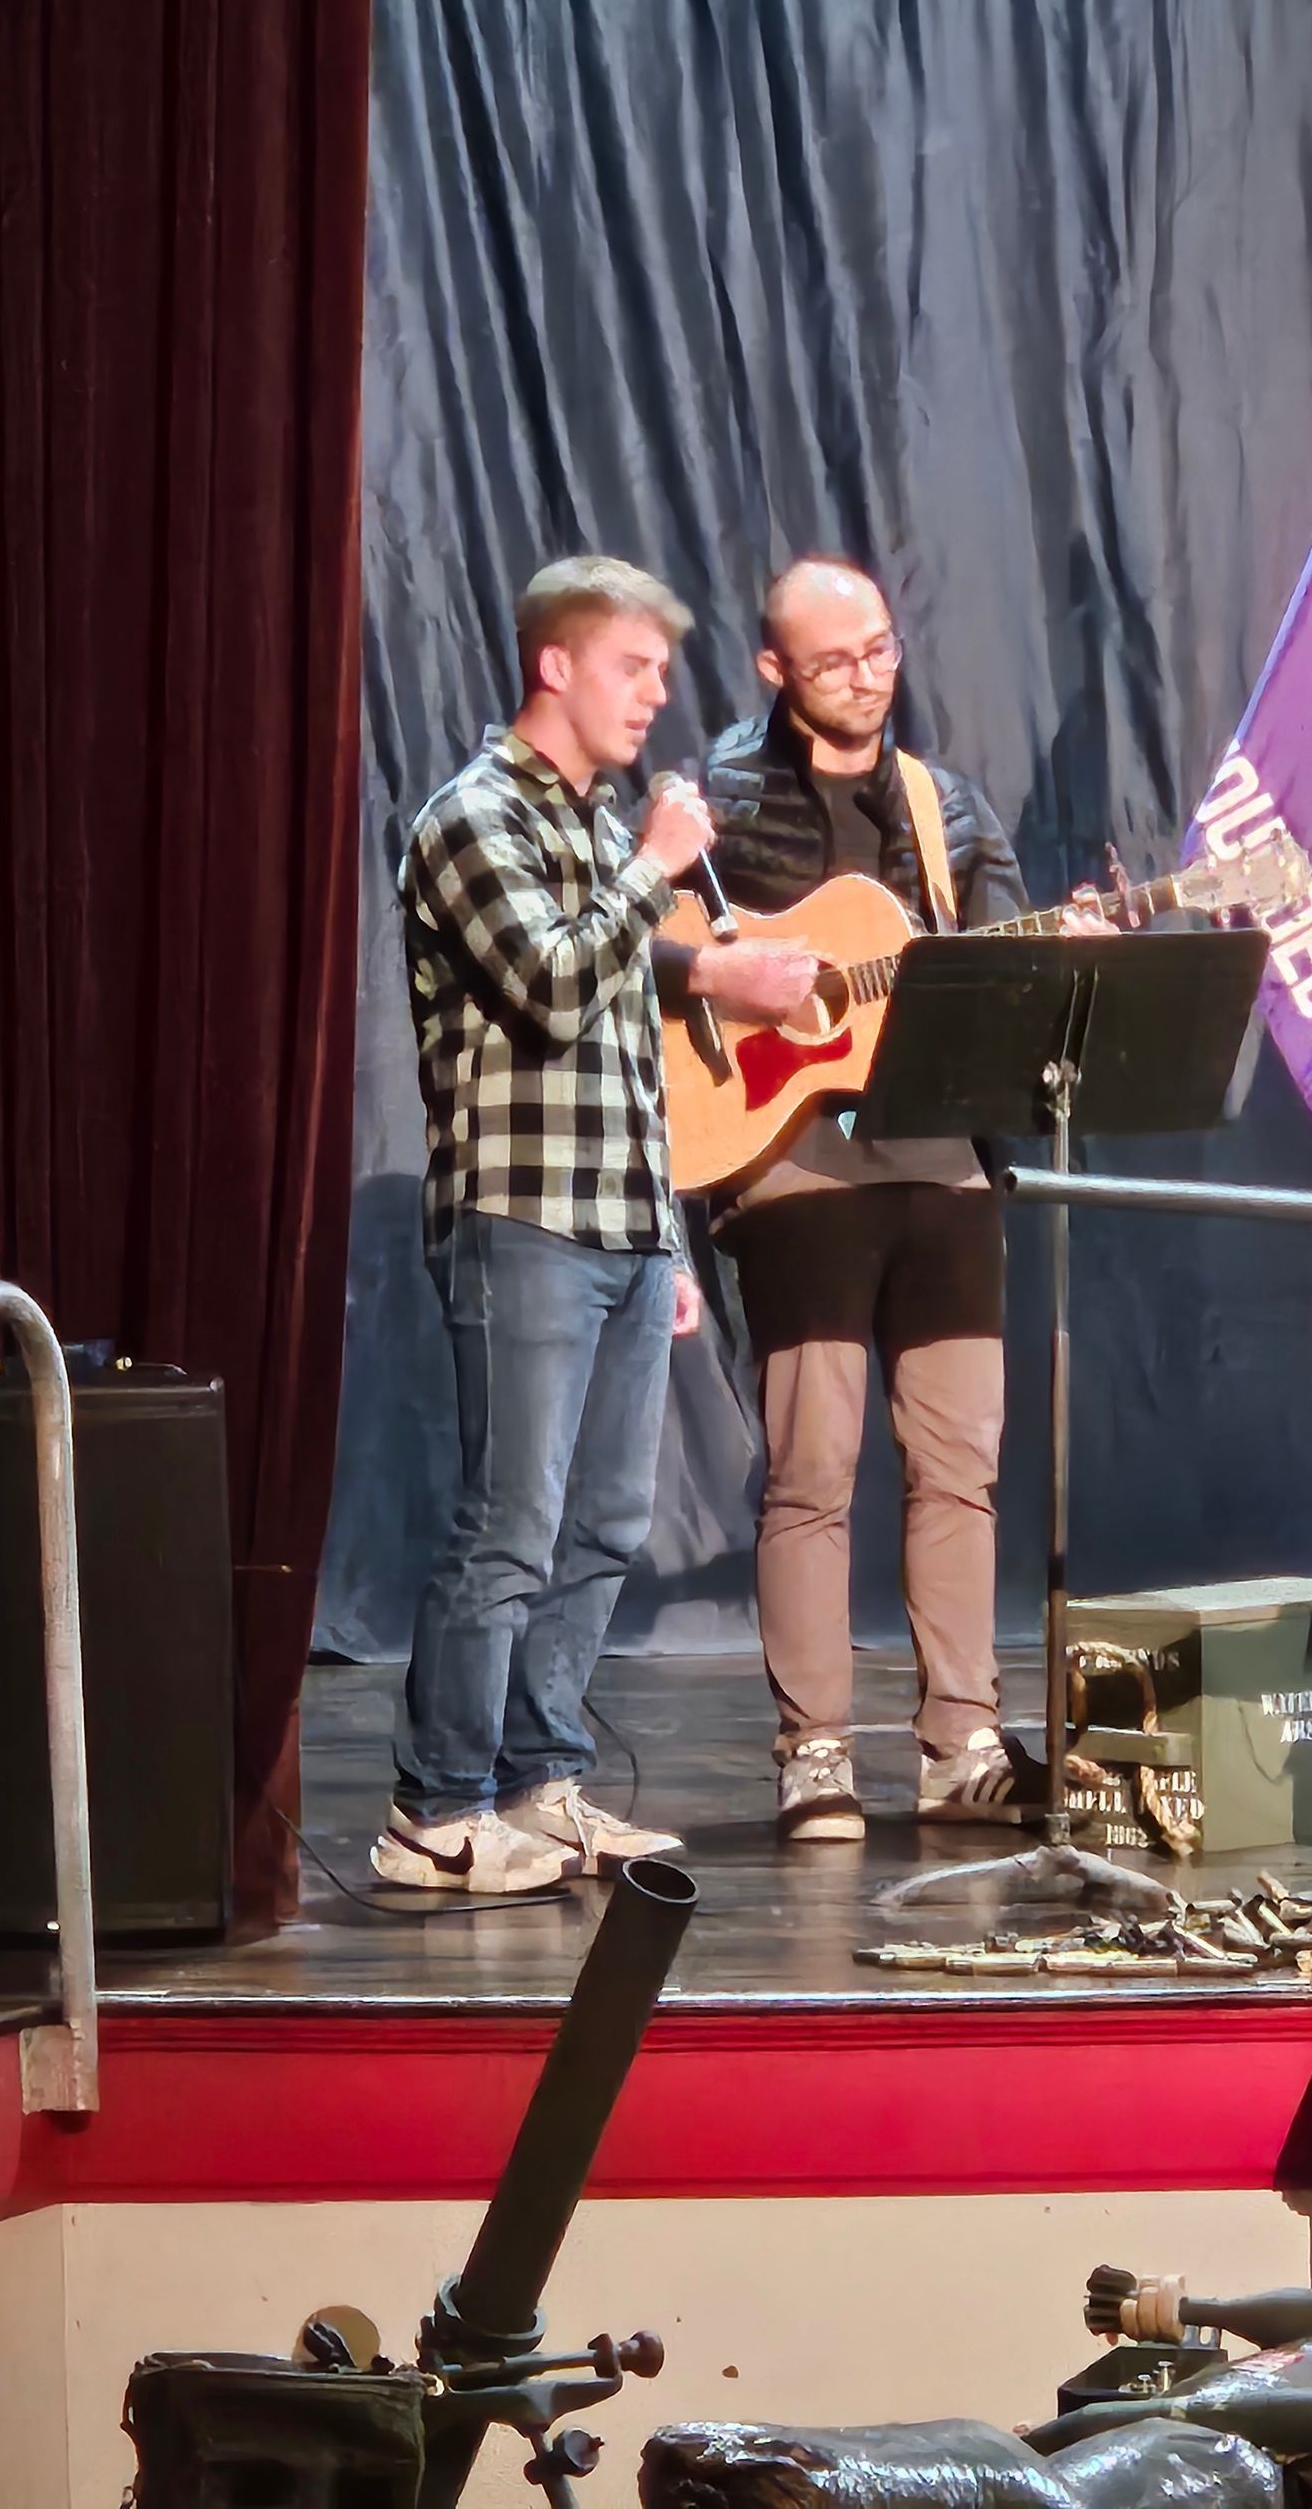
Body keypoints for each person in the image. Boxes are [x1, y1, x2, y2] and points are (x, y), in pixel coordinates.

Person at [378, 554, 815, 1894]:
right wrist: (653, 872)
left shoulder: (595, 822)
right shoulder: (472, 822)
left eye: (662, 673)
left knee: (607, 1521)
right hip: (521, 1226)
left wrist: (668, 1242)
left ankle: (536, 1777)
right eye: (634, 668)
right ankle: (434, 1812)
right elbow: (557, 986)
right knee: (509, 1522)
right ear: (555, 666)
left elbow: (632, 1062)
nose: (655, 698)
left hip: (619, 1228)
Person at [704, 557, 1106, 1840]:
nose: (870, 677)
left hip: (938, 1158)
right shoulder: (717, 803)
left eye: (881, 649)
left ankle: (960, 1744)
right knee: (814, 1466)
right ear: (775, 671)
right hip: (793, 1159)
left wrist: (1057, 953)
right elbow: (669, 968)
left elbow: (987, 963)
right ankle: (814, 1751)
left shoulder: (946, 803)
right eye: (837, 661)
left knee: (958, 1465)